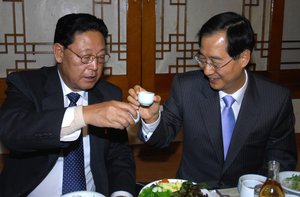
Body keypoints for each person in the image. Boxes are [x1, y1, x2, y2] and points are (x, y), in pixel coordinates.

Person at [127, 11, 297, 189]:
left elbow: (280, 161)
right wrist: (152, 119)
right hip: (194, 191)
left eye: (215, 62)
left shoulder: (275, 99)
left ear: (244, 58)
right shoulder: (187, 87)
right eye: (202, 59)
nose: (207, 70)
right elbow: (162, 137)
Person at [0, 13, 138, 197]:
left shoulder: (108, 94)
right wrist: (84, 115)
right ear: (59, 52)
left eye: (100, 57)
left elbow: (118, 155)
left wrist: (121, 193)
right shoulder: (27, 84)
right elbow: (13, 132)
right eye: (86, 57)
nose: (95, 66)